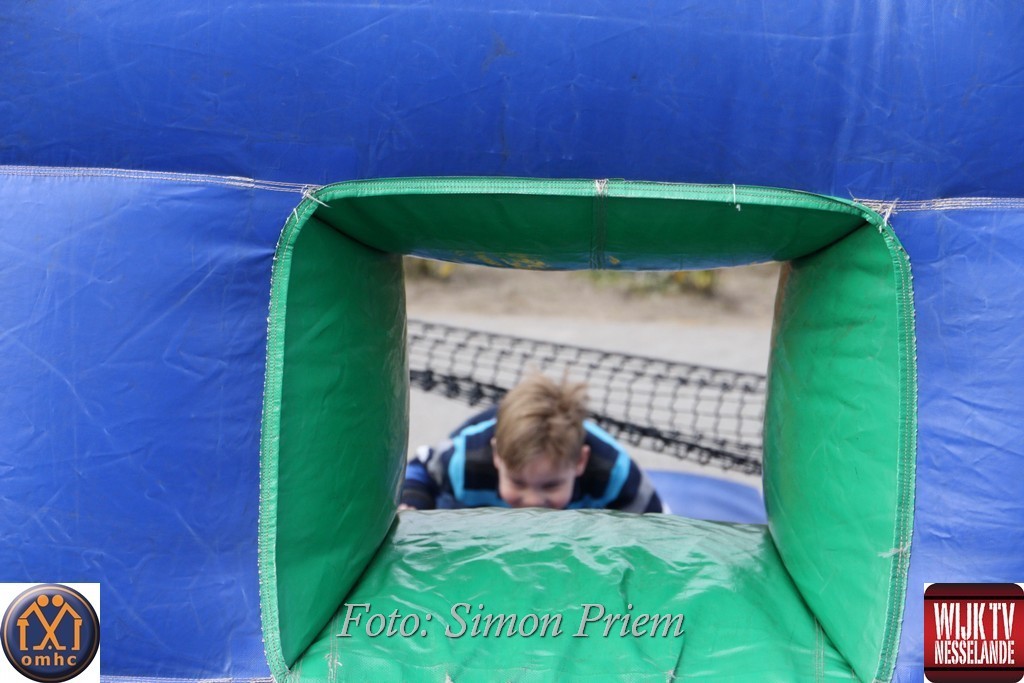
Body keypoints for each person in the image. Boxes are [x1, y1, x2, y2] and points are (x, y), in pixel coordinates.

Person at [400, 374, 663, 512]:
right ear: (497, 456)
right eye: (517, 482)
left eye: (551, 485)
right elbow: (421, 467)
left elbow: (652, 523)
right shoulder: (466, 460)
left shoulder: (614, 473)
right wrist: (413, 501)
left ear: (580, 461)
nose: (533, 501)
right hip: (478, 509)